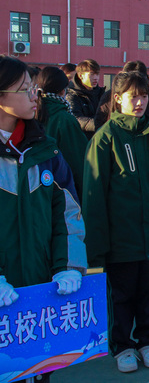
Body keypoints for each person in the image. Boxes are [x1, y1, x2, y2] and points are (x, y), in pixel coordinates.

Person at [0, 56, 87, 383]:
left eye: (34, 87)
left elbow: (68, 215)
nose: (35, 95)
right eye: (24, 90)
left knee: (39, 372)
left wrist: (68, 266)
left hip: (38, 295)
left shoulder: (45, 151)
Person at [83, 71, 149, 373]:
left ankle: (148, 341)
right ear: (117, 99)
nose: (139, 102)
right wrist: (98, 244)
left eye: (144, 95)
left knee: (148, 293)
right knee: (121, 295)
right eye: (133, 96)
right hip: (121, 237)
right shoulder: (104, 138)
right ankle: (122, 345)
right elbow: (94, 197)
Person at [35, 66, 88, 197]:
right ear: (62, 91)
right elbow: (78, 160)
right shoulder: (64, 119)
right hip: (63, 188)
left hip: (38, 185)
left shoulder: (32, 112)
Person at [67, 59, 105, 139]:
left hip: (100, 137)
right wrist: (99, 124)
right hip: (82, 140)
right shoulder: (72, 95)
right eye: (91, 74)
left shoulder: (101, 94)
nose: (95, 78)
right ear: (81, 76)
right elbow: (76, 118)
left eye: (97, 74)